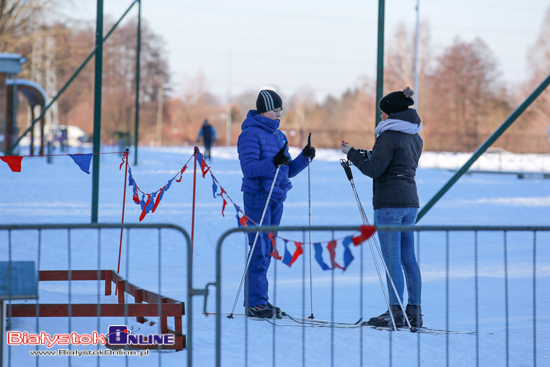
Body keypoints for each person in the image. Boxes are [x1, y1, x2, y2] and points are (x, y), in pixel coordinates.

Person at [341, 87, 423, 327]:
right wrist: (369, 154)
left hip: (389, 204)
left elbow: (374, 170)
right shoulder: (415, 136)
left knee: (392, 259)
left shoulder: (387, 136)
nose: (380, 117)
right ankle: (414, 310)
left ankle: (395, 311)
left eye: (383, 113)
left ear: (392, 114)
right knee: (409, 258)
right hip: (410, 202)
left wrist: (353, 154)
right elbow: (394, 162)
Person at [237, 89, 316, 318]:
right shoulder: (250, 134)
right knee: (260, 249)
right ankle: (255, 302)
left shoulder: (279, 136)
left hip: (276, 197)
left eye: (280, 110)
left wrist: (305, 157)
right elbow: (249, 169)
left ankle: (261, 300)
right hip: (257, 197)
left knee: (267, 249)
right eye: (275, 110)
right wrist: (273, 162)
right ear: (264, 110)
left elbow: (287, 170)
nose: (279, 114)